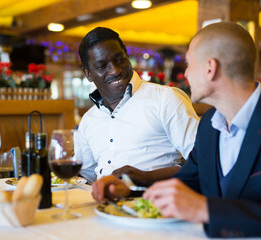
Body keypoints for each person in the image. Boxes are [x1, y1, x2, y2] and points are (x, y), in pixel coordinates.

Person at [91, 22, 261, 239]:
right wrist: (130, 190)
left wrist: (207, 210)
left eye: (189, 64)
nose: (186, 73)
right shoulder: (209, 125)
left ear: (210, 68)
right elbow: (189, 183)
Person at [76, 27, 200, 183]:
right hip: (103, 205)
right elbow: (84, 175)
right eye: (102, 66)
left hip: (153, 203)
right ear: (88, 74)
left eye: (120, 59)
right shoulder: (88, 120)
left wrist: (148, 177)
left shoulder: (166, 99)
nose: (114, 70)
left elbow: (203, 161)